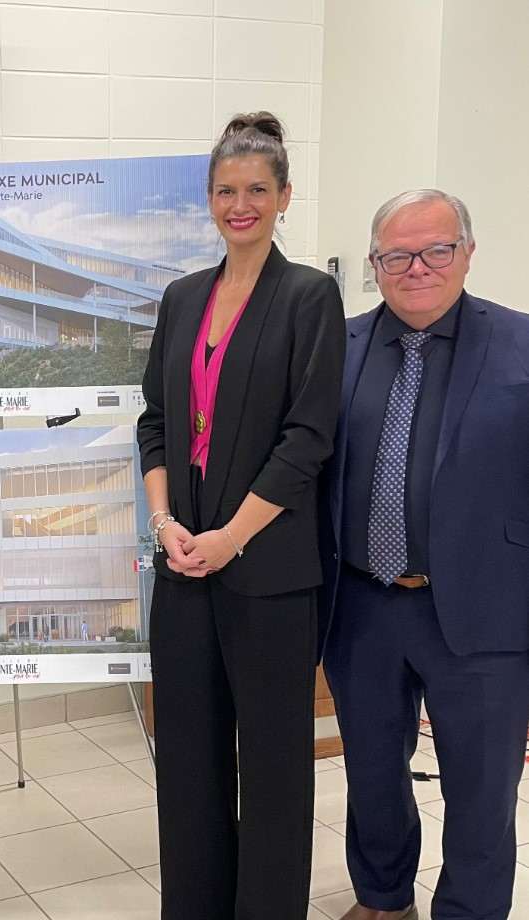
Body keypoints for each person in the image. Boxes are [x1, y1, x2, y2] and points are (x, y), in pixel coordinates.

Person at [136, 112, 346, 919]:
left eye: (258, 189)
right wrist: (166, 527)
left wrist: (230, 538)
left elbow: (307, 439)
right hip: (184, 569)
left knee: (273, 770)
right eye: (226, 190)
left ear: (285, 197)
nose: (241, 205)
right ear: (209, 199)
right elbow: (157, 422)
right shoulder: (182, 297)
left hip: (268, 573)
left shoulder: (309, 297)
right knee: (187, 767)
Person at [320, 189, 529, 920]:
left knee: (482, 789)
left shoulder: (521, 343)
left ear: (467, 253)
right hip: (362, 606)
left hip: (485, 611)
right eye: (396, 255)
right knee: (373, 772)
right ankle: (382, 899)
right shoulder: (336, 348)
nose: (417, 267)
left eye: (436, 250)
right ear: (374, 264)